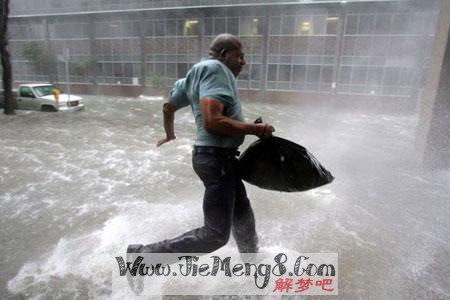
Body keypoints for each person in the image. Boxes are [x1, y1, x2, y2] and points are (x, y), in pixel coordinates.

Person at [127, 33, 274, 254]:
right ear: (224, 54)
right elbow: (213, 122)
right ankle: (142, 256)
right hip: (217, 159)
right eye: (240, 56)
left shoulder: (195, 74)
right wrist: (256, 129)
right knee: (215, 234)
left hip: (218, 159)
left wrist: (170, 134)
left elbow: (168, 107)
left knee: (243, 219)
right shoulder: (216, 70)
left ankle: (252, 275)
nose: (244, 62)